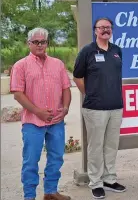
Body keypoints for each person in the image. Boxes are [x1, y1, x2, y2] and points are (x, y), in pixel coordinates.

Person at [10, 28, 72, 200]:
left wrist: (65, 109)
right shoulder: (20, 66)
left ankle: (51, 192)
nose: (39, 45)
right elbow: (17, 94)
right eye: (35, 42)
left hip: (56, 122)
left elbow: (66, 88)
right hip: (32, 122)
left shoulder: (58, 64)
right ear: (28, 43)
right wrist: (38, 111)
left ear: (47, 43)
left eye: (42, 41)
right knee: (31, 161)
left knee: (56, 158)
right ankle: (29, 196)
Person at [73, 17, 125, 199]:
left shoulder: (117, 50)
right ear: (95, 31)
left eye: (108, 27)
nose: (105, 30)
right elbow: (77, 77)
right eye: (101, 27)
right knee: (96, 147)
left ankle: (109, 179)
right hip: (95, 109)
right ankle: (95, 182)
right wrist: (89, 94)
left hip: (116, 107)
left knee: (111, 145)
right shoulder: (87, 51)